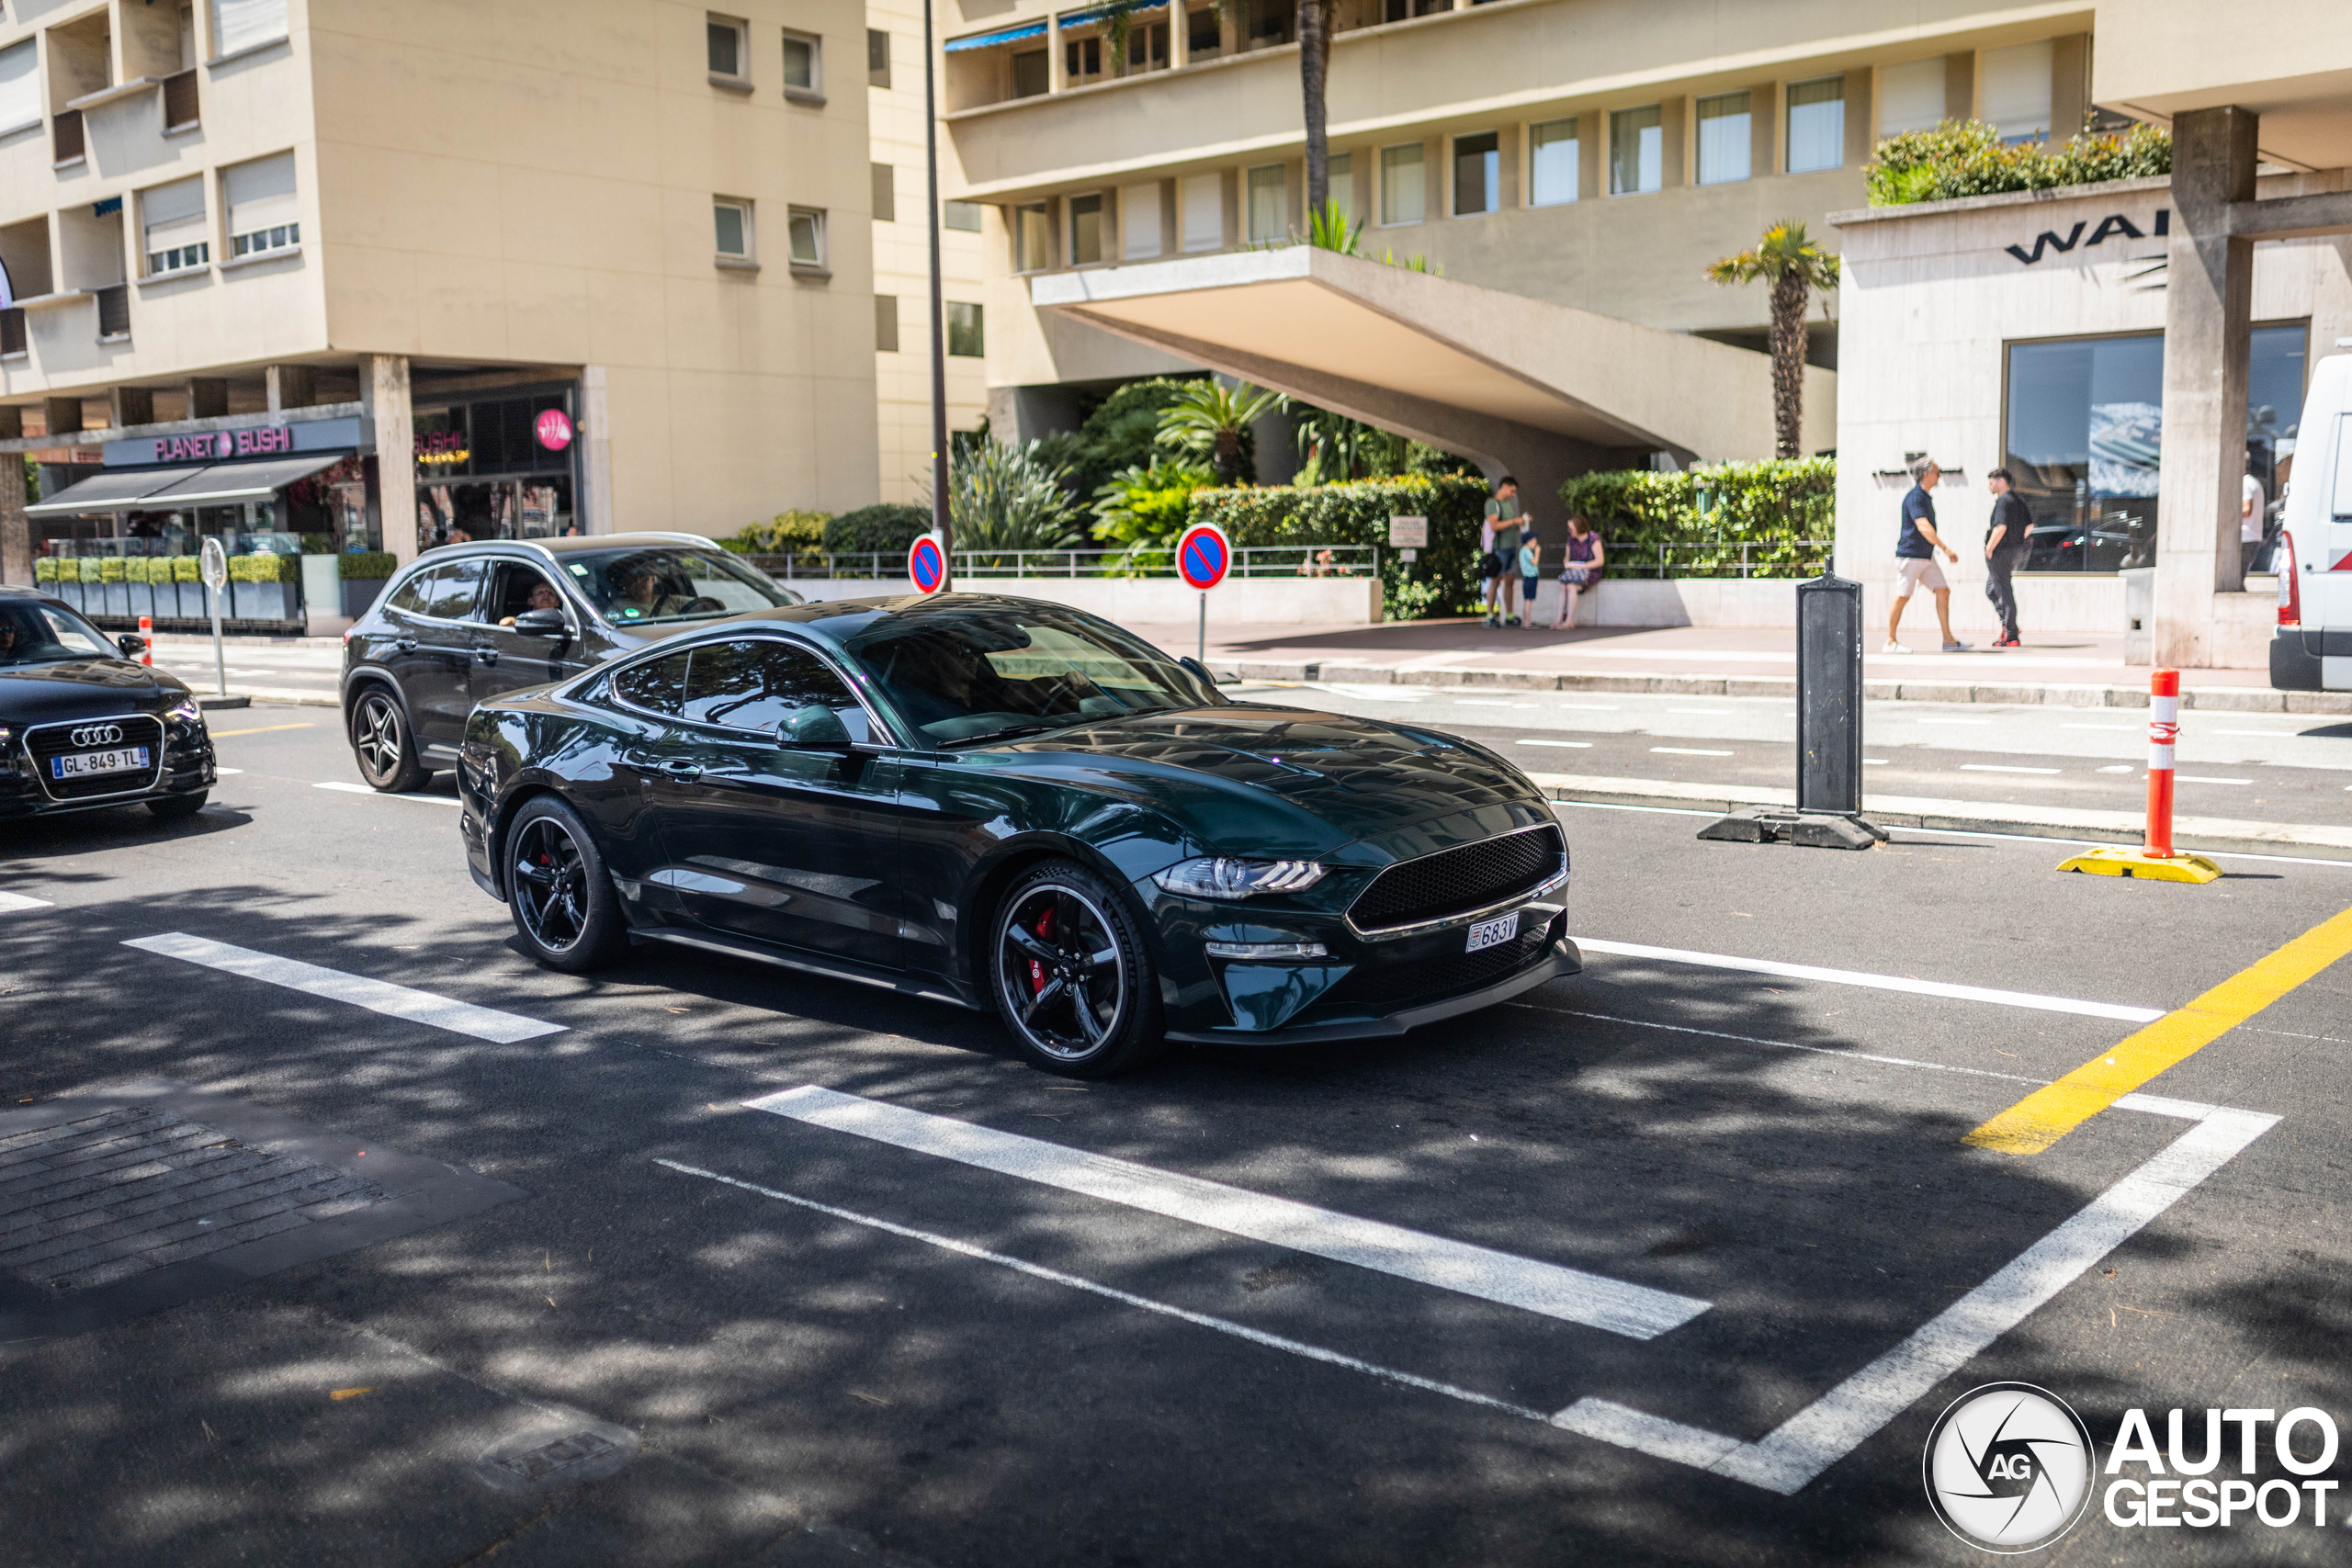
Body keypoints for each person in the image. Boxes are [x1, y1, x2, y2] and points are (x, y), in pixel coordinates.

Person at [1887, 457, 1966, 653]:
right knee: (1903, 596)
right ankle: (1890, 641)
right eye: (1937, 473)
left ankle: (1948, 640)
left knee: (1943, 590)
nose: (1940, 476)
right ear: (1926, 474)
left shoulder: (1925, 497)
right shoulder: (1915, 497)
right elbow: (1923, 526)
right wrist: (1946, 549)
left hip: (1925, 557)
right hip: (1911, 555)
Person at [1983, 468, 2028, 648]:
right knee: (1992, 590)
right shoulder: (2018, 501)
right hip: (2014, 551)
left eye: (1992, 482)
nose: (1989, 485)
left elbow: (2000, 527)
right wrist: (2017, 544)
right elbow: (2029, 526)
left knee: (2003, 592)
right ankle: (2011, 626)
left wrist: (1989, 547)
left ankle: (2010, 634)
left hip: (2000, 552)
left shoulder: (2003, 502)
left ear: (2002, 481)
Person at [1483, 476, 1522, 627]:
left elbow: (1508, 525)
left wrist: (1520, 523)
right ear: (1504, 486)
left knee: (1510, 581)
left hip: (1511, 547)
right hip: (1499, 549)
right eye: (1512, 491)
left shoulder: (1508, 505)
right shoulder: (1492, 504)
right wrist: (1514, 521)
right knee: (1496, 580)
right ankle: (1490, 615)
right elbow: (1494, 525)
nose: (1513, 494)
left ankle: (1509, 615)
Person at [1553, 513, 1603, 629]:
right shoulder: (1570, 540)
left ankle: (1569, 621)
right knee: (1563, 586)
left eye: (1571, 528)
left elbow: (1600, 561)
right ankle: (1558, 620)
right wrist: (1568, 564)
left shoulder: (1593, 538)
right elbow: (1567, 557)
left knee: (1571, 586)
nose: (1569, 531)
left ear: (1579, 528)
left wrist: (1582, 566)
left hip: (1589, 572)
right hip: (1574, 572)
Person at [2241, 447, 2267, 576]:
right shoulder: (2253, 482)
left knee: (2236, 578)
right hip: (2251, 536)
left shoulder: (2246, 483)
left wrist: (2227, 513)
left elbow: (2246, 510)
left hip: (2246, 537)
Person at [498, 581, 563, 627]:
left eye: (550, 593)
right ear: (530, 601)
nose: (546, 595)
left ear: (557, 602)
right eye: (540, 593)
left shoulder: (564, 621)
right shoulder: (525, 620)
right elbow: (504, 623)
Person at [1516, 534, 1541, 628]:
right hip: (1531, 576)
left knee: (1527, 599)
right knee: (1529, 600)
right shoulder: (1527, 551)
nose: (1536, 544)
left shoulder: (1523, 551)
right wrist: (1537, 552)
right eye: (1534, 542)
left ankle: (1524, 621)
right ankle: (1527, 622)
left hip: (1527, 577)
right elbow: (1535, 562)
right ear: (1529, 542)